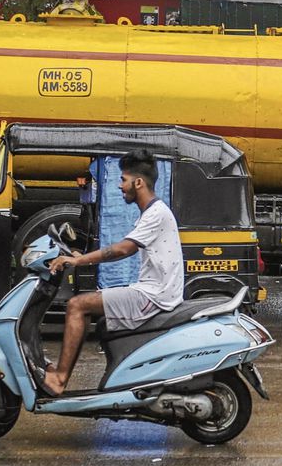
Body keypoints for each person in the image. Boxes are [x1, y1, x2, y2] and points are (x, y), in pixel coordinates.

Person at [42, 150, 184, 396]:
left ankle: (60, 379)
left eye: (123, 180)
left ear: (138, 183)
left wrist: (79, 261)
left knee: (77, 305)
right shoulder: (153, 212)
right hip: (152, 291)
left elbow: (122, 249)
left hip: (153, 296)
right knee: (93, 305)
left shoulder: (156, 213)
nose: (120, 186)